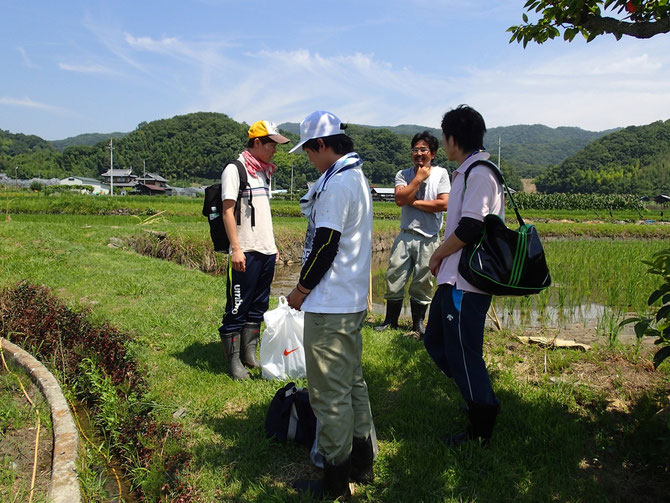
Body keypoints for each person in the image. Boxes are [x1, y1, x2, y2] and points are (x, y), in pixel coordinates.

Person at [286, 111, 375, 500]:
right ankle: (363, 461)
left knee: (328, 393)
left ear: (322, 145)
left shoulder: (338, 184)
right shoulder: (355, 176)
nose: (308, 157)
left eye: (308, 150)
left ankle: (336, 482)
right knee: (351, 381)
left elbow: (325, 245)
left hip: (331, 304)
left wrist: (300, 291)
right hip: (349, 300)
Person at [424, 105, 504, 446]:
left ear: (453, 138)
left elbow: (472, 226)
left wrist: (438, 254)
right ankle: (475, 397)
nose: (444, 143)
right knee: (436, 342)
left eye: (444, 137)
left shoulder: (480, 173)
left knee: (462, 351)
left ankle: (481, 426)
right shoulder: (466, 171)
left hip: (466, 282)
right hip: (452, 278)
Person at [218, 120, 289, 380]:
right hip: (245, 251)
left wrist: (273, 245)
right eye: (271, 144)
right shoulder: (235, 169)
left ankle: (249, 355)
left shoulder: (263, 172)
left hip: (265, 250)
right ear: (257, 142)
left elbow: (262, 213)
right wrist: (235, 249)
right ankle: (234, 363)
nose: (275, 149)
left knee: (258, 307)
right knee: (238, 306)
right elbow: (227, 210)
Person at [375, 131, 450, 336]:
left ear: (432, 153)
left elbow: (443, 204)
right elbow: (399, 199)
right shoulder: (403, 174)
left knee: (423, 281)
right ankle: (391, 321)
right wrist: (418, 179)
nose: (419, 153)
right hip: (405, 235)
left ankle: (418, 324)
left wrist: (413, 201)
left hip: (429, 237)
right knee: (394, 276)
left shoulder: (441, 173)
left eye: (423, 149)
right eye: (415, 150)